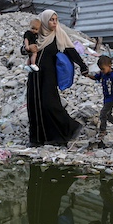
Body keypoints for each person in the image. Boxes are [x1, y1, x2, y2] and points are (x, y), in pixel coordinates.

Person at [23, 9, 89, 147]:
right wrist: (27, 49)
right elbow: (24, 49)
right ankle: (37, 139)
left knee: (49, 104)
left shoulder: (58, 34)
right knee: (34, 104)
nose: (54, 22)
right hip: (34, 76)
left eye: (55, 19)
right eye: (51, 20)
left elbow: (71, 51)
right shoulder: (36, 35)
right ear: (45, 21)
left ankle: (66, 130)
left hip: (49, 76)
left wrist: (83, 66)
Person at [90, 54, 113, 143]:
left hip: (112, 98)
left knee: (103, 113)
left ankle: (103, 130)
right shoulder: (103, 73)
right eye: (101, 69)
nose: (102, 71)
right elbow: (96, 77)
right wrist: (87, 75)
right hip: (106, 98)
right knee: (108, 115)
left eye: (103, 69)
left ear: (109, 66)